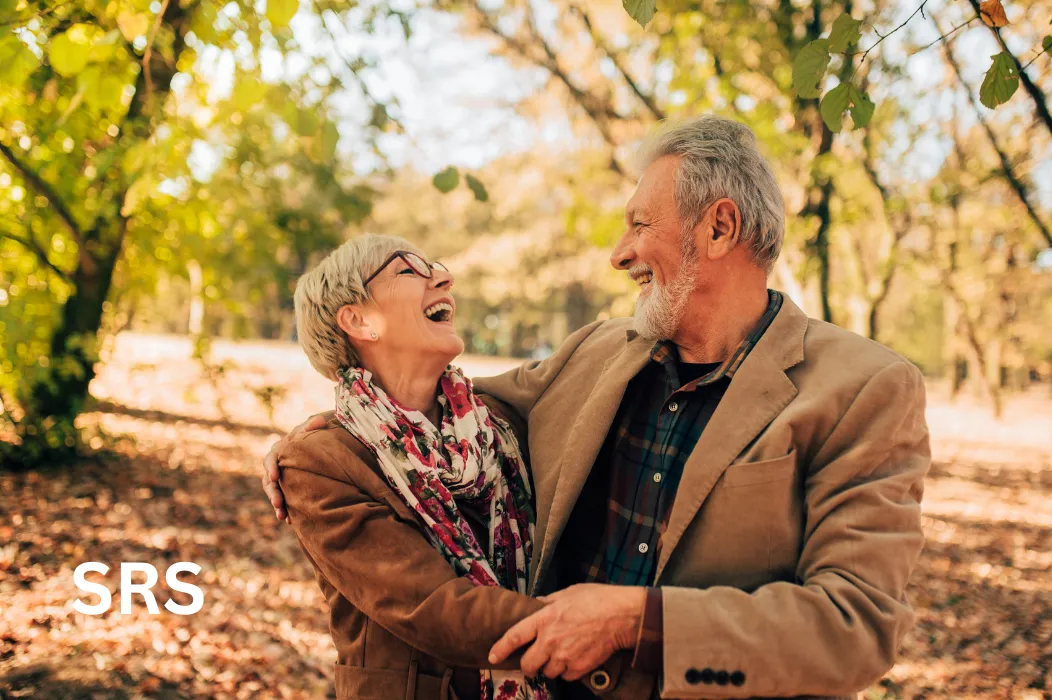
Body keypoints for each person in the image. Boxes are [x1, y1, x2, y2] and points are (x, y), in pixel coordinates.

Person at [263, 116, 931, 699]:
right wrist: (313, 439)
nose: (620, 254)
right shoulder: (599, 353)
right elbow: (427, 411)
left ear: (720, 227)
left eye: (640, 225)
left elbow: (857, 627)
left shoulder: (865, 389)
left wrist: (636, 619)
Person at [275, 233, 561, 700]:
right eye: (409, 271)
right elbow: (432, 609)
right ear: (359, 320)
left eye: (436, 266)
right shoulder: (318, 463)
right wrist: (590, 627)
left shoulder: (502, 422)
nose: (444, 277)